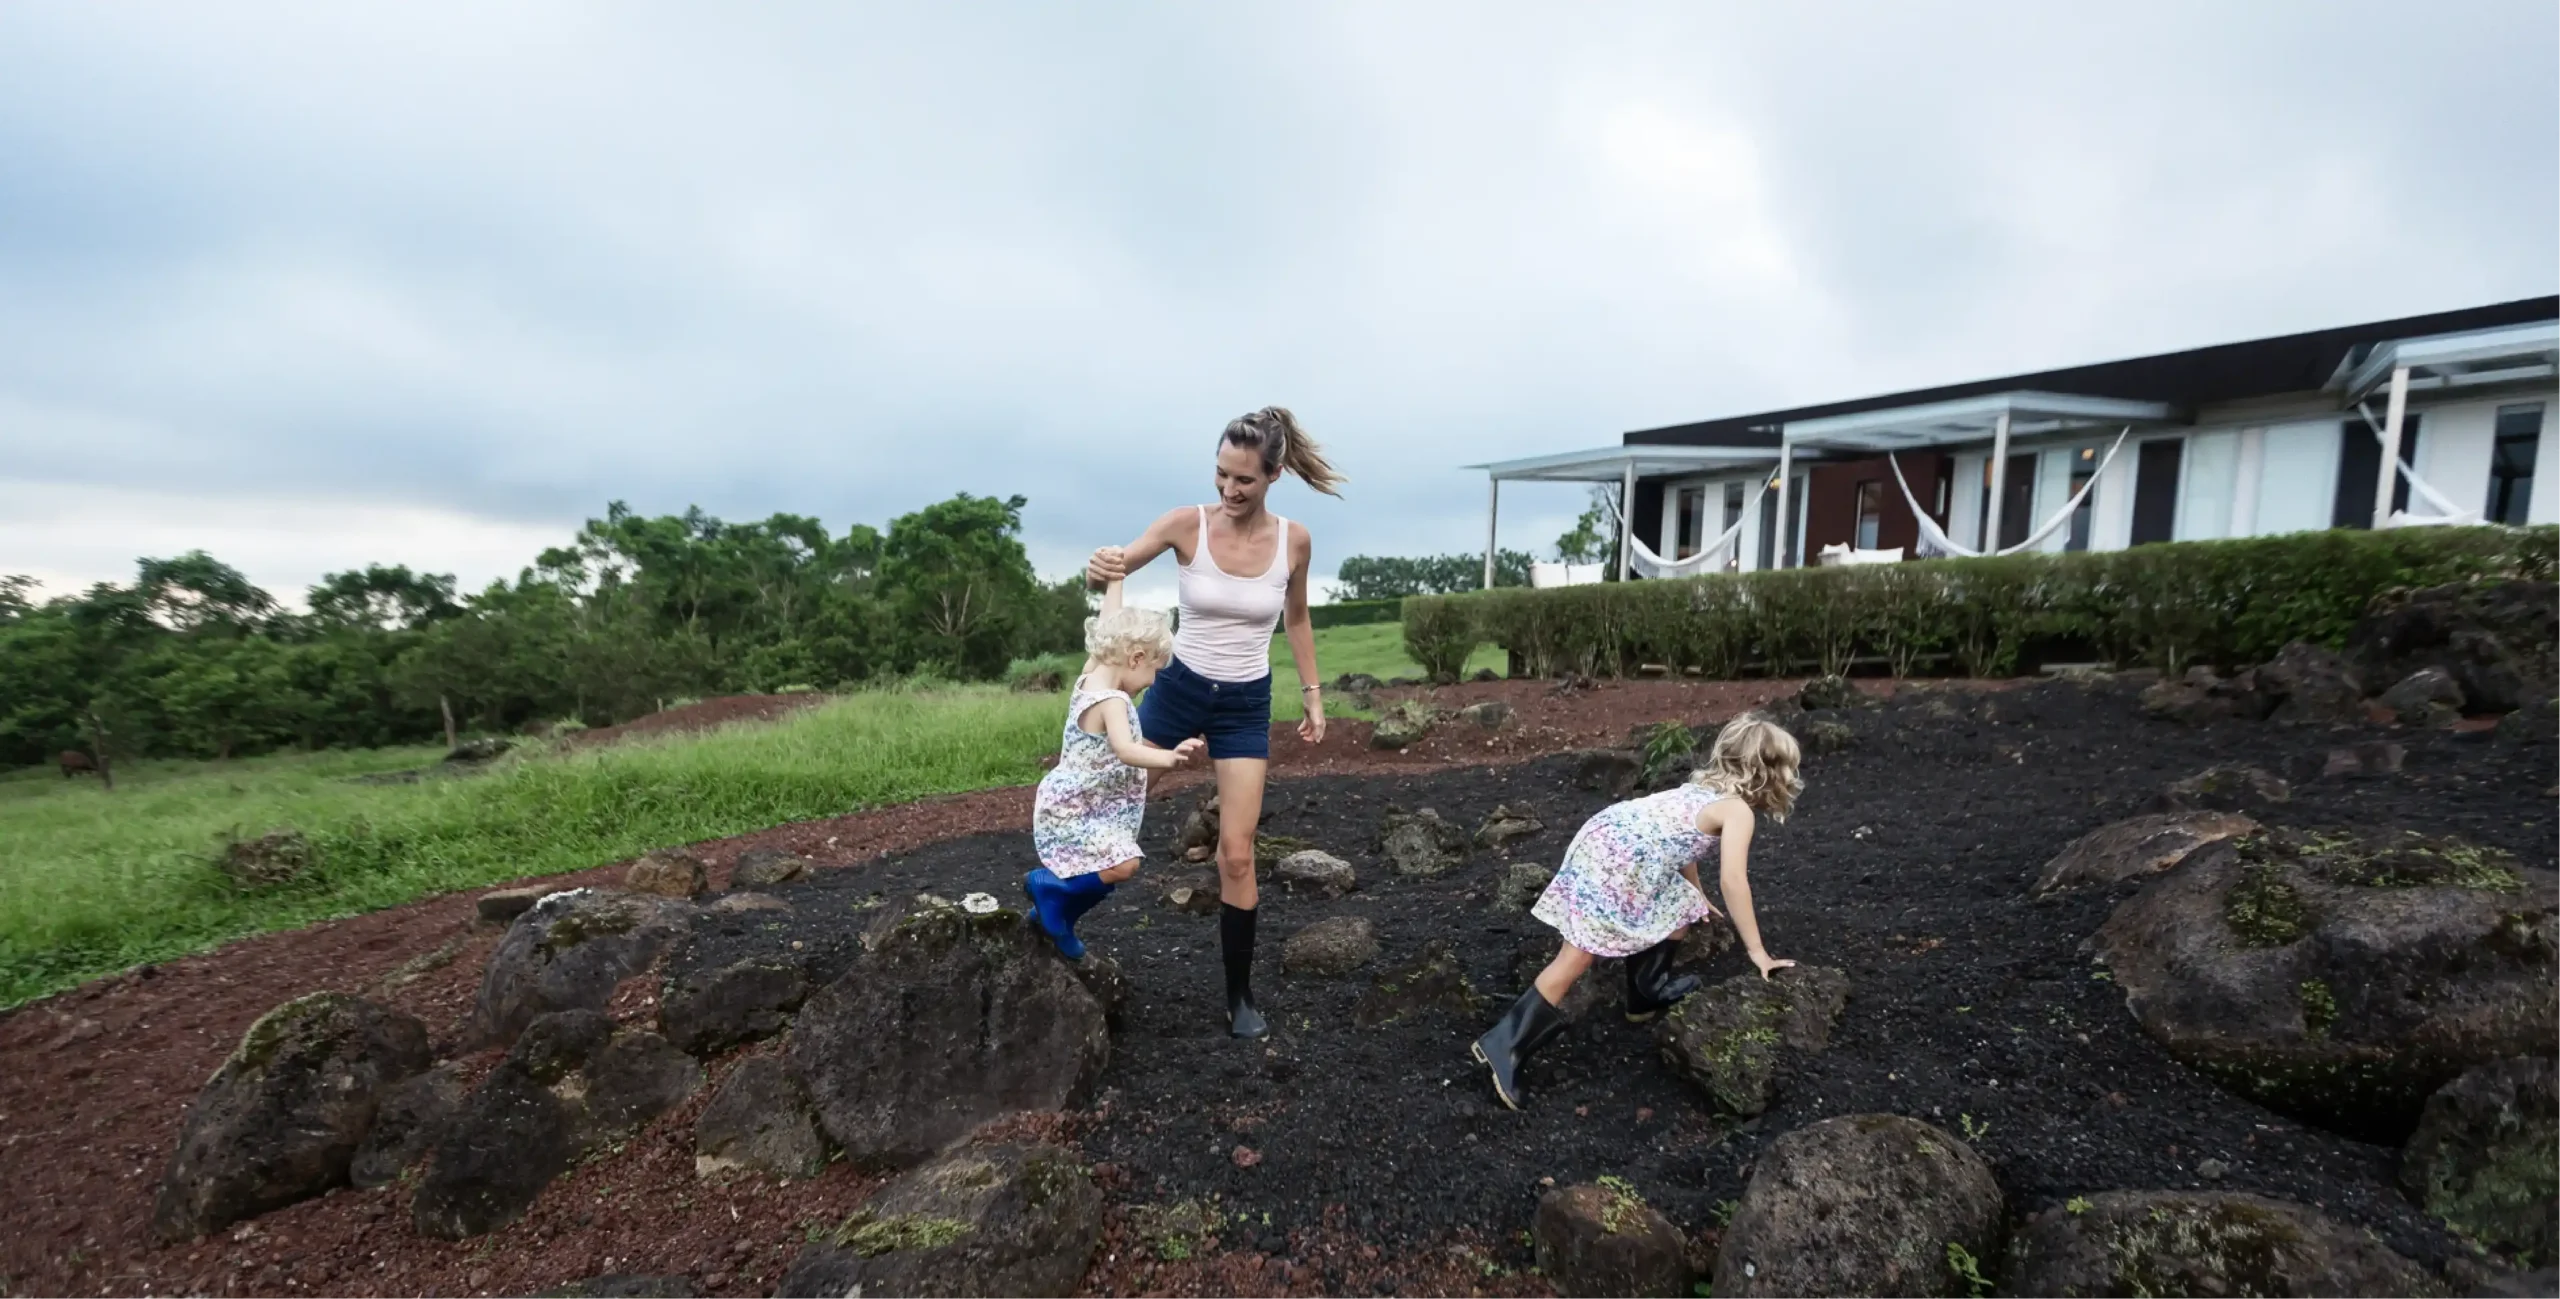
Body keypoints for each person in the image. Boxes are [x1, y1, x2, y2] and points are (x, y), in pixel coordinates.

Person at [1084, 406, 1345, 1037]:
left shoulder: (1295, 541)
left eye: (1244, 480)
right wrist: (1101, 566)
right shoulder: (1185, 524)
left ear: (1273, 475)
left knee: (1235, 853)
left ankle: (1239, 998)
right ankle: (1056, 911)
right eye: (1221, 475)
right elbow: (1117, 567)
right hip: (1175, 690)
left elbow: (1298, 619)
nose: (1229, 490)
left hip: (1244, 704)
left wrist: (1312, 693)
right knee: (1099, 804)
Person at [1472, 713, 1804, 1109]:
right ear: (1770, 772)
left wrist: (1695, 893)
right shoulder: (1737, 811)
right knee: (1578, 954)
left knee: (1680, 905)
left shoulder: (1699, 791)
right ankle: (1504, 1043)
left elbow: (1681, 844)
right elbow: (1734, 880)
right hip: (1618, 860)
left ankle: (1646, 993)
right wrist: (1757, 951)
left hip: (1605, 836)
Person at [1023, 580, 1203, 960]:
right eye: (1155, 670)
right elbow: (1125, 749)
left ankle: (1051, 915)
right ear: (1136, 658)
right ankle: (1051, 893)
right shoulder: (1112, 700)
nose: (1153, 682)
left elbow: (1109, 626)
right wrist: (1169, 758)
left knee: (1111, 865)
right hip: (1077, 807)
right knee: (1124, 864)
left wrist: (1116, 580)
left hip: (1080, 802)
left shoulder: (1091, 675)